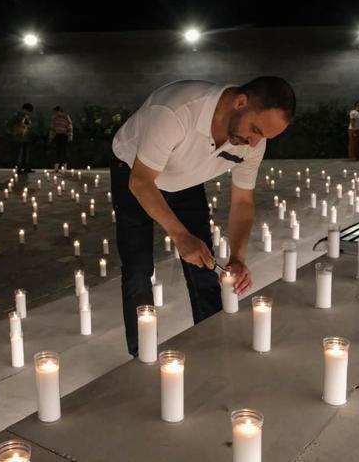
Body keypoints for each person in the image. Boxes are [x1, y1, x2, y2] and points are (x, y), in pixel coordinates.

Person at [110, 77, 295, 357]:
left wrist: (238, 258)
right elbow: (141, 183)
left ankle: (212, 341)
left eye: (262, 138)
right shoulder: (175, 111)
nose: (253, 142)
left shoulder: (253, 143)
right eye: (254, 130)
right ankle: (142, 355)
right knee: (138, 269)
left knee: (205, 263)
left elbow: (243, 202)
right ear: (240, 102)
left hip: (185, 180)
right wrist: (180, 236)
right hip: (133, 171)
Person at [7, 103, 34, 173]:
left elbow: (29, 126)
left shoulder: (26, 117)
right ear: (24, 110)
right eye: (28, 111)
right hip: (19, 138)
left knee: (26, 154)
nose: (29, 113)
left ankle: (26, 168)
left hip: (26, 138)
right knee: (19, 154)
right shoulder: (17, 116)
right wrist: (13, 132)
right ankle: (18, 169)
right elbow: (9, 123)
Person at [49, 106, 73, 172]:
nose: (55, 113)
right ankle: (56, 168)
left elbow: (69, 127)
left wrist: (70, 136)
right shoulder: (54, 118)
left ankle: (64, 168)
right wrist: (51, 137)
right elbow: (52, 128)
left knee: (64, 151)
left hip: (64, 136)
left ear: (60, 111)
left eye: (56, 112)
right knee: (57, 151)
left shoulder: (66, 117)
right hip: (57, 136)